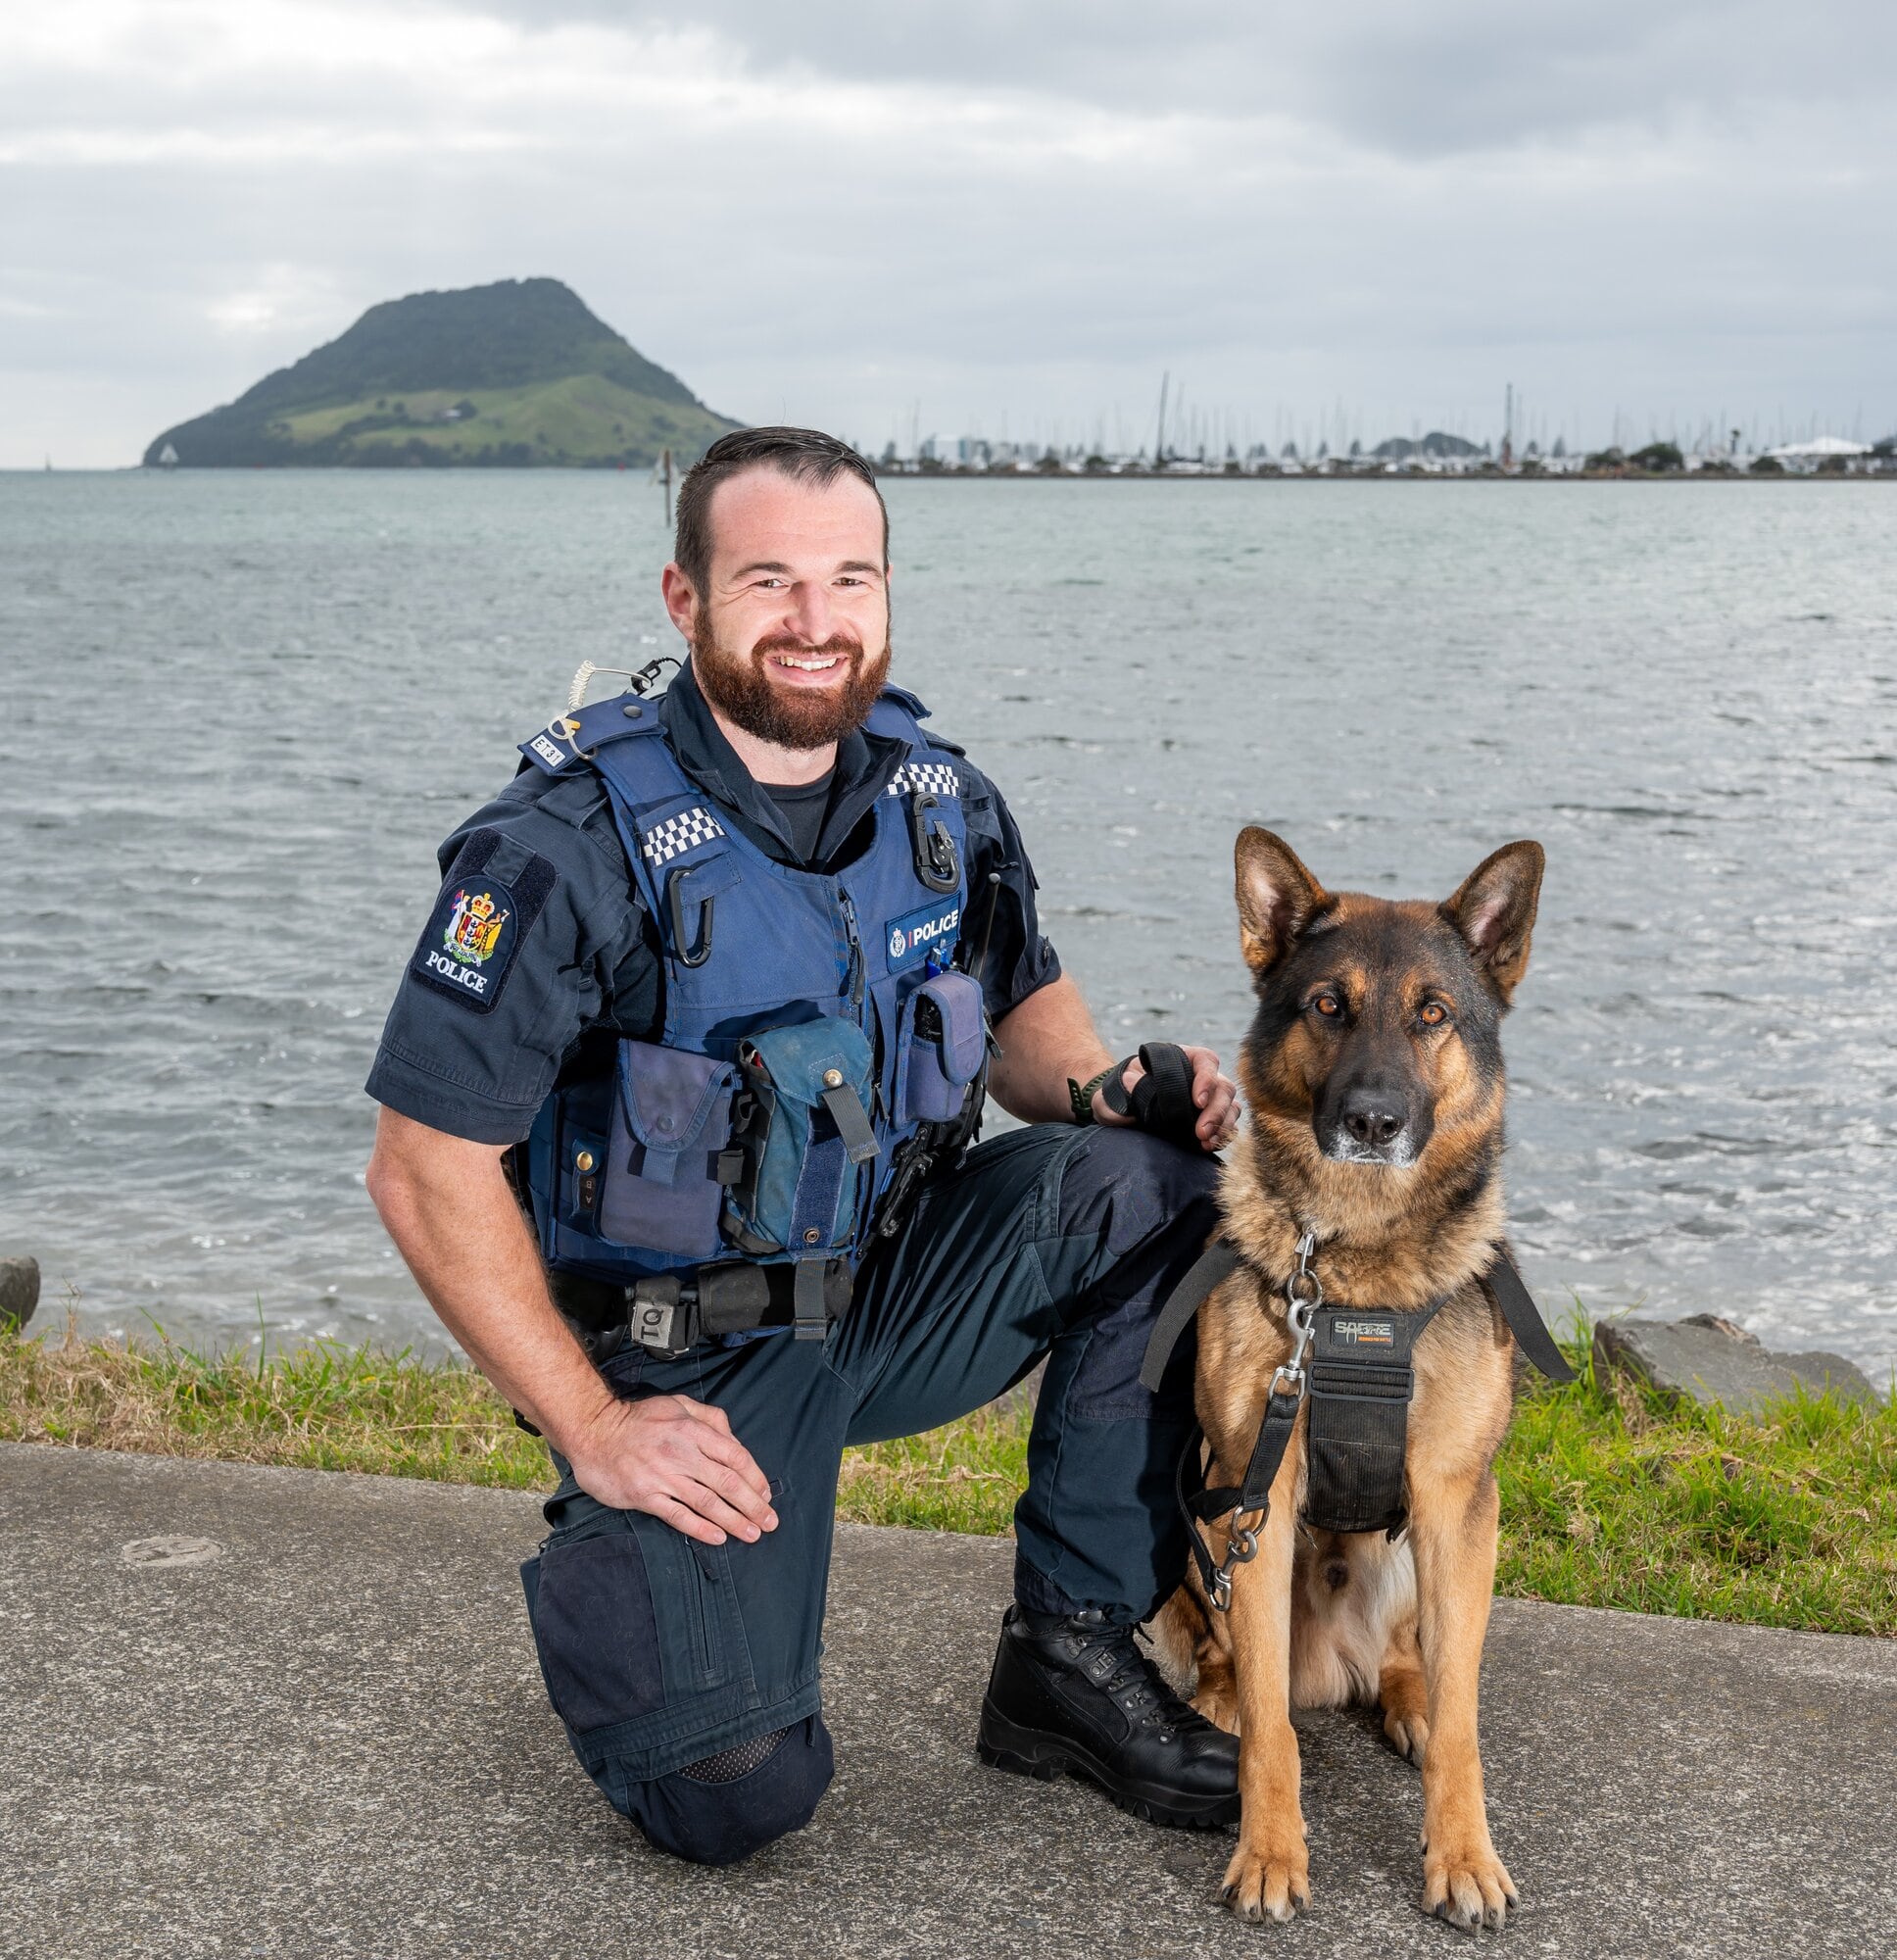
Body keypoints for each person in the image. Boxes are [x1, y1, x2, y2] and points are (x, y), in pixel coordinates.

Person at [364, 426, 1242, 1866]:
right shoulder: (563, 845)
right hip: (690, 1354)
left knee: (1160, 1187)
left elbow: (1032, 1037)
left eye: (851, 580)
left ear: (890, 593)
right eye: (769, 580)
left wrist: (1124, 1090)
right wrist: (595, 1424)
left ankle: (1067, 1658)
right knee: (738, 1792)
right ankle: (634, 1555)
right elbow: (421, 1164)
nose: (818, 625)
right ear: (683, 597)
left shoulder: (941, 804)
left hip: (894, 1290)